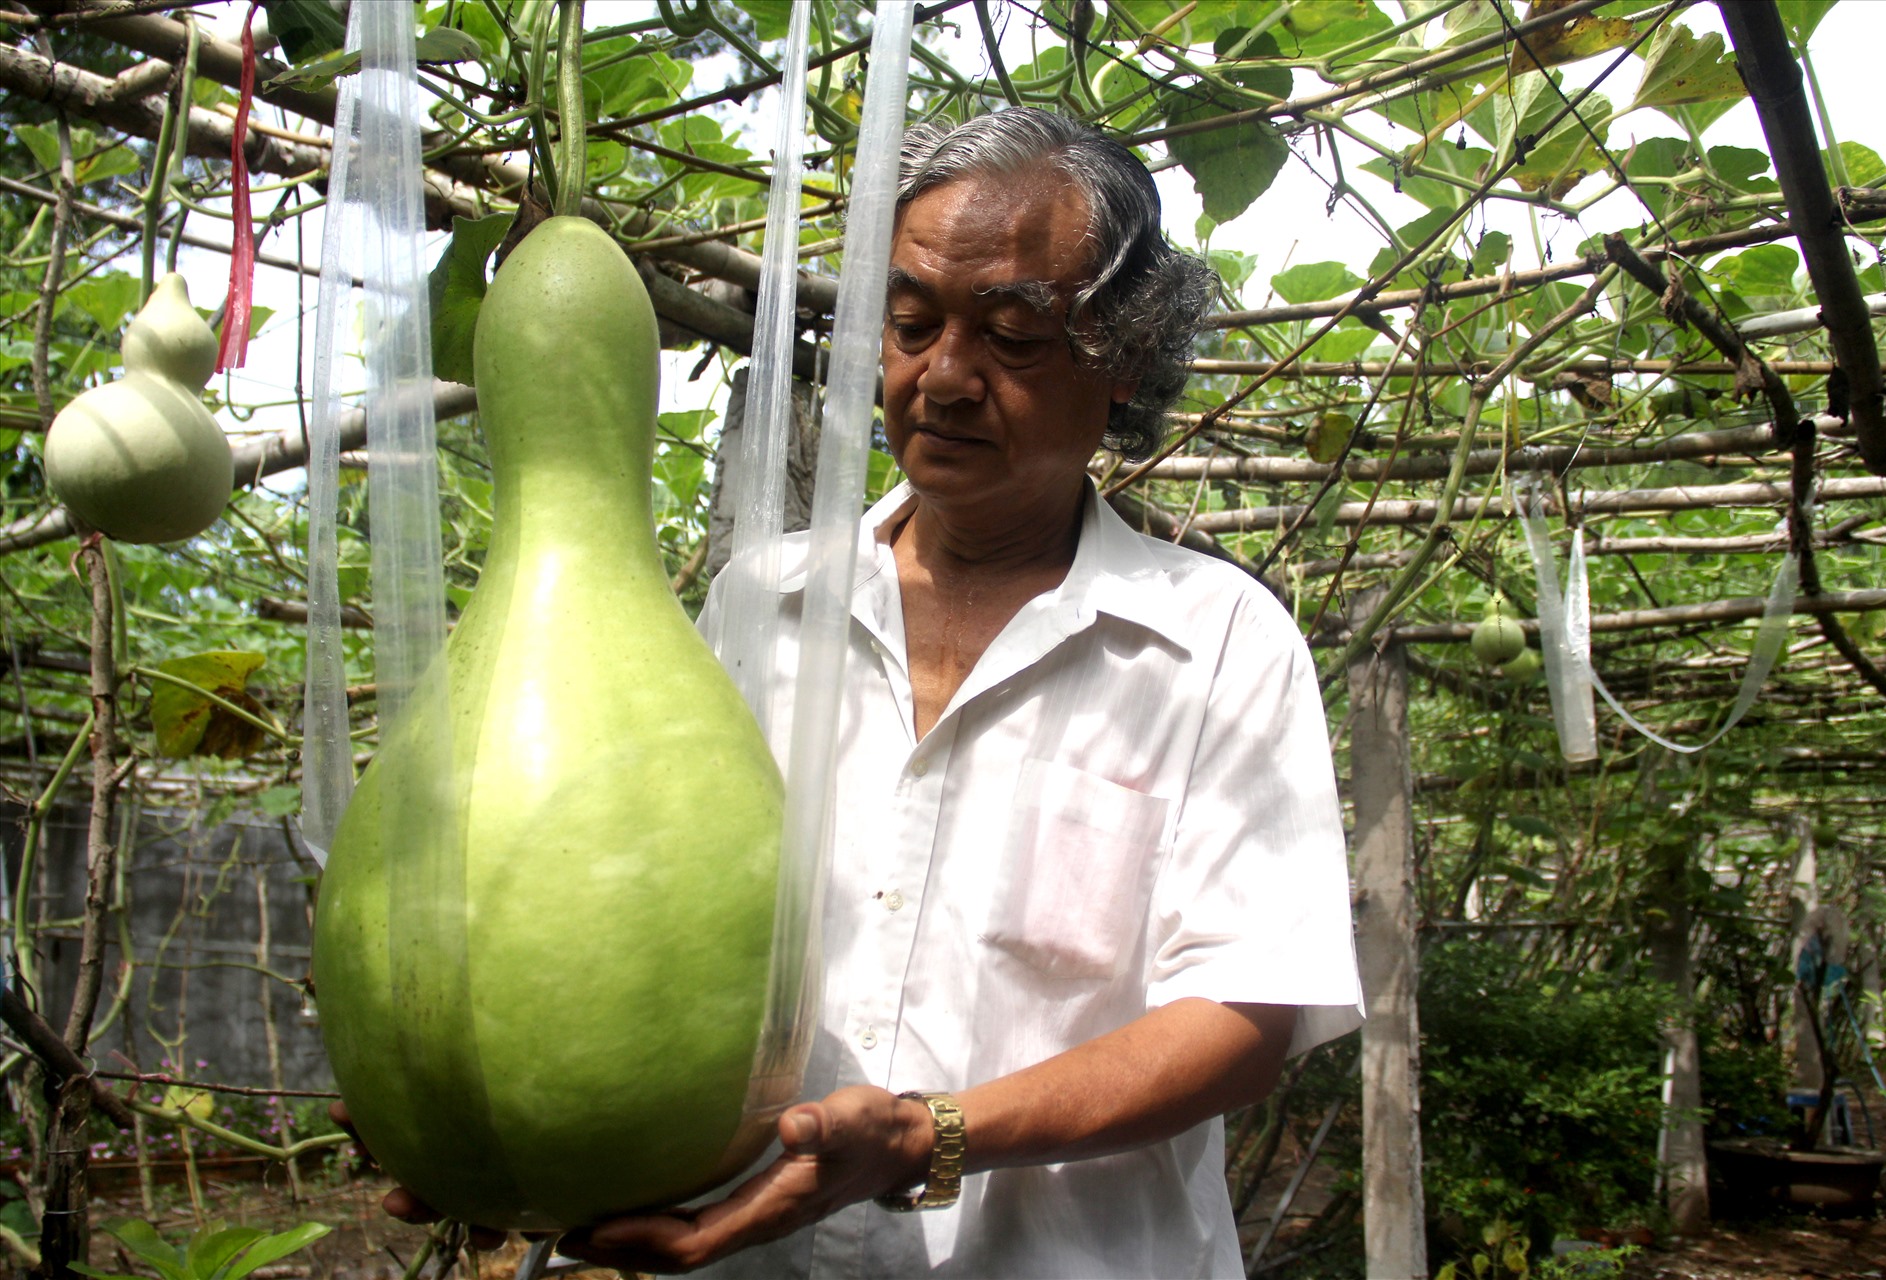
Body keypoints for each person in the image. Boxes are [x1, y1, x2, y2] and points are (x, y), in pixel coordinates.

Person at [383, 106, 1363, 1278]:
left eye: (1010, 334)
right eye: (910, 323)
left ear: (1128, 358)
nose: (941, 378)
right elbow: (616, 900)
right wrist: (490, 1107)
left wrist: (927, 1136)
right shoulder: (761, 604)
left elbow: (1246, 1017)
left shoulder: (1218, 642)